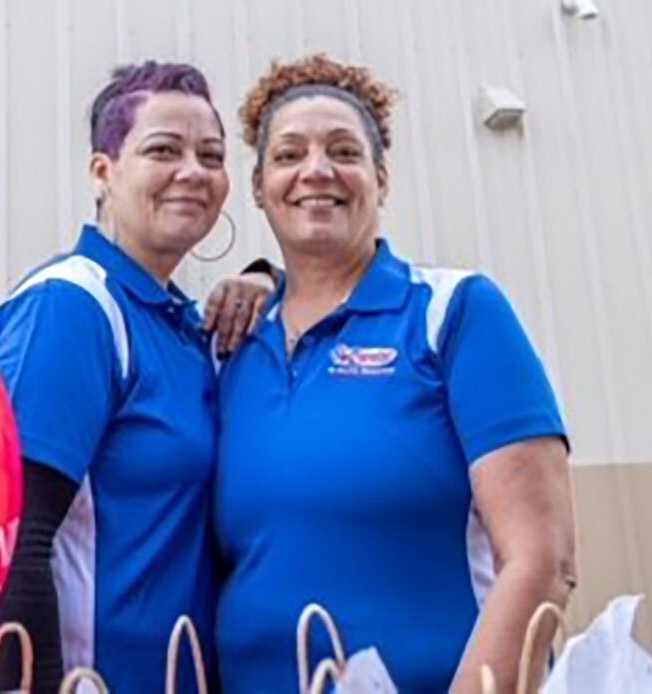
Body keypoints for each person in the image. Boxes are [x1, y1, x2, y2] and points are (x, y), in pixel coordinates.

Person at [214, 54, 577, 693]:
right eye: (289, 154)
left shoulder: (453, 313)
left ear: (381, 179)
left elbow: (542, 560)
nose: (316, 170)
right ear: (260, 186)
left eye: (344, 152)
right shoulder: (229, 342)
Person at [0, 61, 269, 692]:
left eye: (211, 156)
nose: (192, 171)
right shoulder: (71, 307)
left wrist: (269, 277)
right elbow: (7, 541)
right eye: (163, 150)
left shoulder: (184, 324)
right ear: (103, 173)